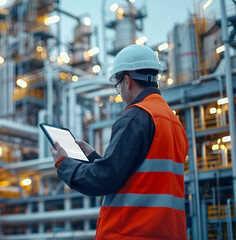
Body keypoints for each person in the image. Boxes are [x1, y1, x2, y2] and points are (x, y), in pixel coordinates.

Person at [50, 44, 189, 239]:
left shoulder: (136, 116)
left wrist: (63, 164)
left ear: (127, 80)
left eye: (118, 86)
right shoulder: (173, 122)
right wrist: (92, 156)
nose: (120, 92)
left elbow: (103, 179)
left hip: (131, 231)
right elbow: (136, 177)